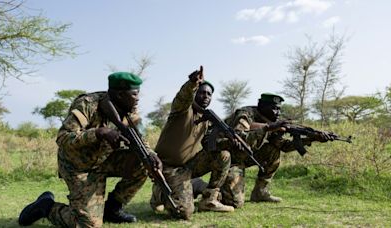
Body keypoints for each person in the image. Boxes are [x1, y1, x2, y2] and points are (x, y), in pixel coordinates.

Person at [18, 72, 162, 227]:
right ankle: (46, 206)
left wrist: (151, 154)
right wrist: (99, 133)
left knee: (143, 162)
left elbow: (139, 138)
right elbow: (63, 138)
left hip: (104, 161)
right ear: (120, 95)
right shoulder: (88, 104)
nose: (138, 98)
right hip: (79, 167)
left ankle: (112, 209)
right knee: (88, 225)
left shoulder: (129, 110)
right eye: (134, 94)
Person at [195, 93, 333, 208]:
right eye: (274, 108)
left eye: (279, 109)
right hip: (226, 157)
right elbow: (240, 138)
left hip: (243, 158)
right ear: (262, 106)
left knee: (273, 149)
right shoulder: (245, 114)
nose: (277, 112)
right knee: (235, 203)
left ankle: (260, 192)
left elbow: (283, 146)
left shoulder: (272, 121)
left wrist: (311, 139)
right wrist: (268, 127)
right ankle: (207, 191)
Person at [150, 66, 234, 220]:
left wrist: (232, 141)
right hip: (169, 168)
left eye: (209, 94)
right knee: (184, 213)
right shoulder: (182, 109)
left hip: (190, 166)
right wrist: (192, 83)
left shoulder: (207, 119)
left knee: (223, 155)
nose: (206, 96)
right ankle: (159, 193)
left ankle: (209, 199)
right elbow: (183, 97)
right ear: (195, 93)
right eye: (202, 92)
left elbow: (210, 145)